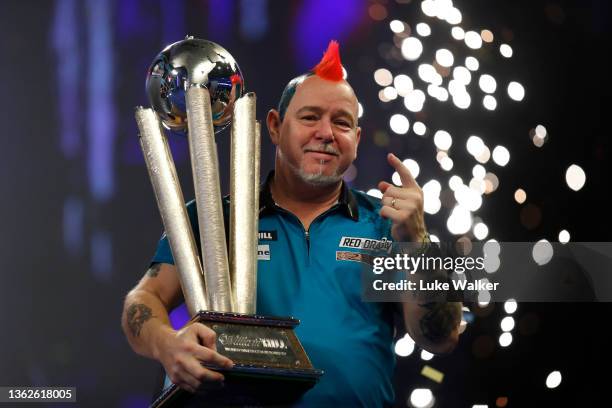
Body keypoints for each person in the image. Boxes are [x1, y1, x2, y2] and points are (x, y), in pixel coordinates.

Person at [121, 41, 462, 407]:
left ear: (357, 140)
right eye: (310, 117)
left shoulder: (385, 225)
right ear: (274, 126)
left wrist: (416, 241)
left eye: (342, 122)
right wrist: (167, 344)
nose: (326, 133)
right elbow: (143, 300)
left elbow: (439, 337)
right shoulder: (212, 217)